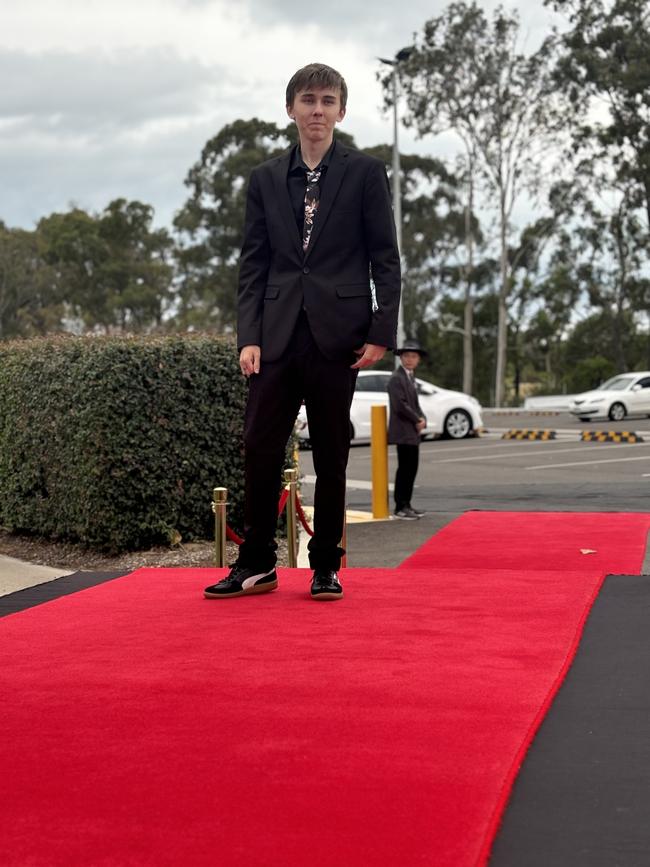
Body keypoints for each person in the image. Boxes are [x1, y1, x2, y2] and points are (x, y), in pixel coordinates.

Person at [204, 63, 401, 601]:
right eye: (308, 100)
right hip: (275, 334)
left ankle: (325, 567)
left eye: (328, 100)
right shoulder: (265, 178)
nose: (318, 110)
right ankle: (257, 564)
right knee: (259, 446)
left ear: (341, 110)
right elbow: (254, 263)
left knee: (333, 451)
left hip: (340, 337)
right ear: (290, 108)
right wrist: (249, 334)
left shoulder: (364, 173)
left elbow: (385, 259)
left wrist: (381, 330)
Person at [388, 339, 428, 520]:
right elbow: (400, 406)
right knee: (404, 469)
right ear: (401, 358)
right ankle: (400, 507)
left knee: (412, 469)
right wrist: (417, 419)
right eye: (406, 356)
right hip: (403, 431)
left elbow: (415, 404)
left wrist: (422, 418)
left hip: (412, 431)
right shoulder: (396, 378)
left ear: (418, 359)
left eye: (413, 356)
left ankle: (407, 504)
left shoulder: (410, 377)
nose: (410, 359)